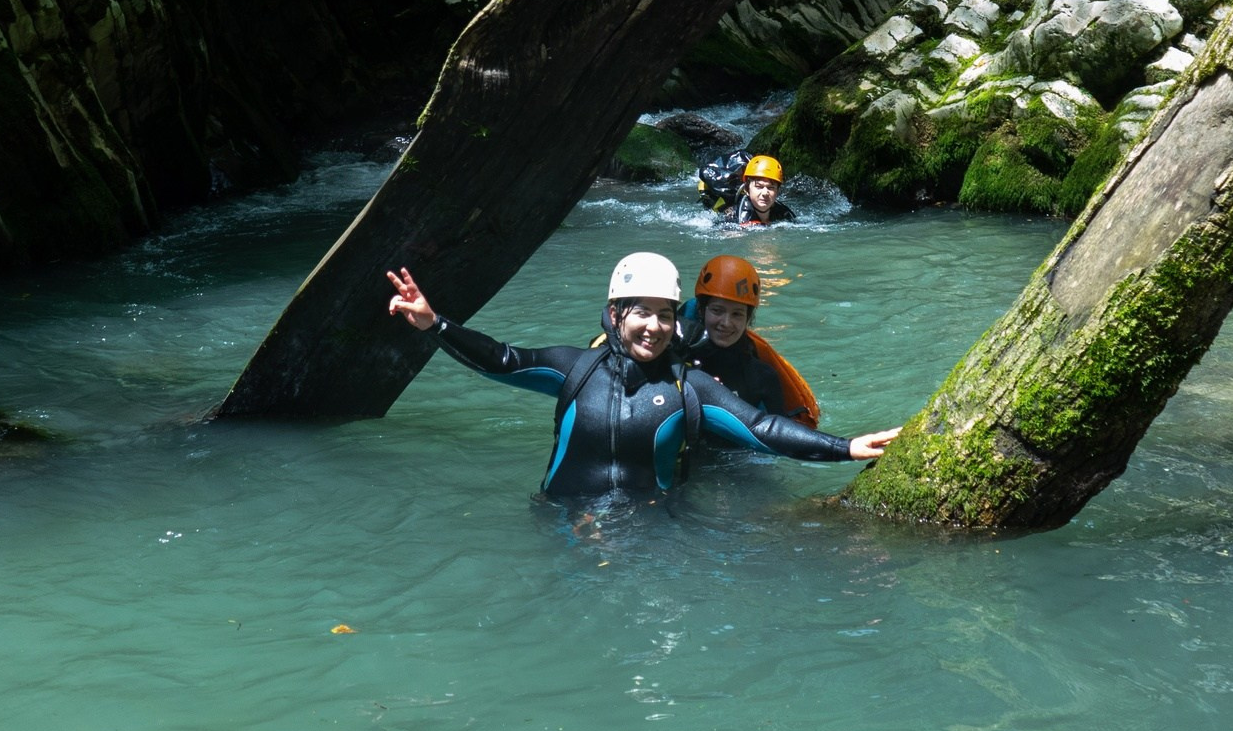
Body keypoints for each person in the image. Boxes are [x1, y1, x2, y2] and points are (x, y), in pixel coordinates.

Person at [384, 252, 897, 499]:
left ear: (678, 320)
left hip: (650, 538)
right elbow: (502, 360)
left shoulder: (687, 386)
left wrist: (846, 447)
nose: (654, 327)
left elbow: (761, 431)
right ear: (614, 313)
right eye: (641, 312)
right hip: (562, 525)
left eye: (665, 314)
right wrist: (435, 324)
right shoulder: (575, 369)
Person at [683, 254, 820, 427]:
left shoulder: (763, 377)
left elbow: (778, 439)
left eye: (737, 314)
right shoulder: (675, 359)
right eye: (717, 310)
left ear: (748, 318)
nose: (726, 323)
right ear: (702, 310)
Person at [699, 153, 796, 226]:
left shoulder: (784, 213)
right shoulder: (738, 217)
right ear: (747, 188)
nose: (765, 193)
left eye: (771, 188)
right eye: (759, 187)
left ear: (777, 191)